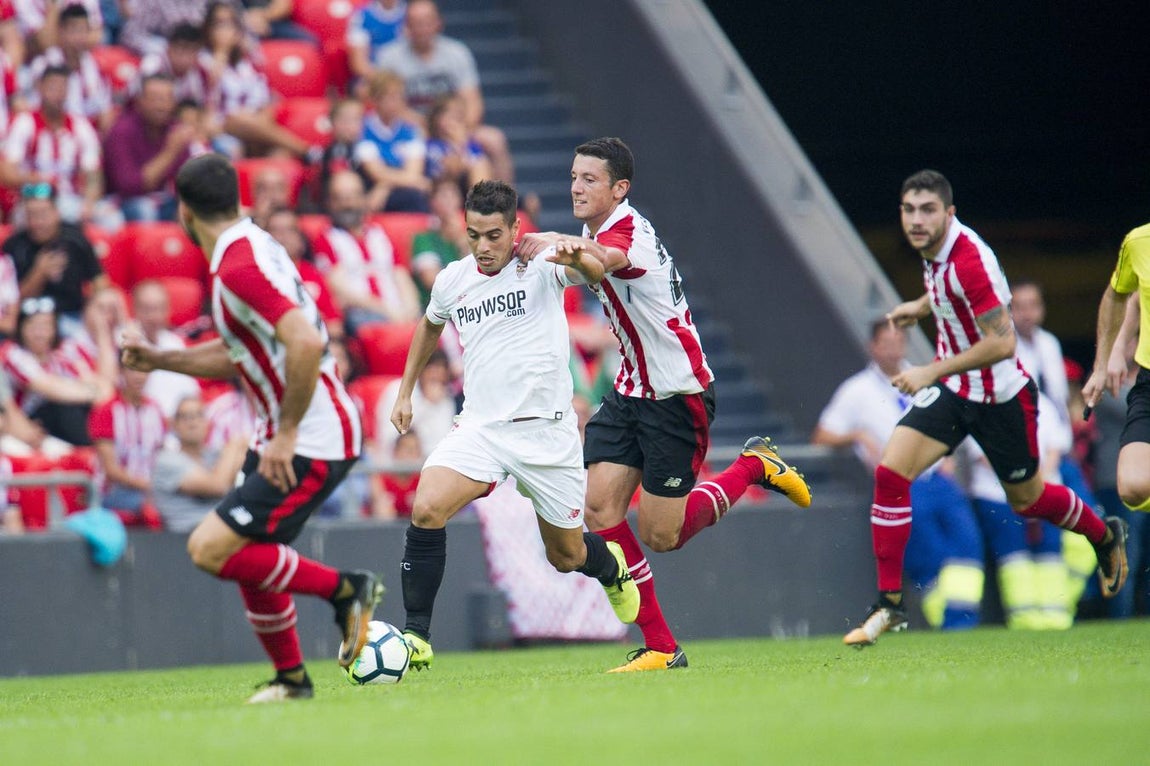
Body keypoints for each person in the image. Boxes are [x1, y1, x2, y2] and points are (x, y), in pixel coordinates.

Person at [517, 137, 812, 671]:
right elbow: (590, 264)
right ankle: (661, 646)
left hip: (678, 396)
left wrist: (557, 241)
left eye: (589, 179)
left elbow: (603, 262)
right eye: (574, 176)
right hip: (631, 389)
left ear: (619, 189)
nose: (576, 187)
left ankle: (754, 465)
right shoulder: (595, 231)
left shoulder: (626, 232)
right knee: (600, 509)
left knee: (661, 535)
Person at [120, 152, 382, 703]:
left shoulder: (237, 269)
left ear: (184, 213)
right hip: (288, 432)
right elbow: (244, 352)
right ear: (237, 200)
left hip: (312, 437)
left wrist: (286, 434)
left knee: (209, 548)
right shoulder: (252, 246)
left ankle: (346, 591)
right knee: (251, 557)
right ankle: (292, 680)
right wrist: (162, 360)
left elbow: (304, 342)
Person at [841, 169, 1128, 648]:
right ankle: (889, 604)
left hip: (1001, 398)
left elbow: (1002, 343)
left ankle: (1103, 535)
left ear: (949, 213)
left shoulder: (969, 259)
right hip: (957, 391)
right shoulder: (935, 252)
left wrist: (930, 371)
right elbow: (949, 291)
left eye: (927, 210)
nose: (916, 220)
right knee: (891, 474)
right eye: (909, 210)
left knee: (1028, 500)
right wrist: (920, 306)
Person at [387, 179, 637, 671]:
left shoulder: (542, 264)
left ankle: (610, 567)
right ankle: (416, 635)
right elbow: (430, 325)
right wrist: (404, 390)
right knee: (427, 506)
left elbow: (594, 271)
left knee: (565, 556)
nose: (482, 247)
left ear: (515, 228)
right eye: (473, 235)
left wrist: (577, 255)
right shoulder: (453, 279)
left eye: (493, 236)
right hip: (481, 429)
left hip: (547, 434)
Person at [813, 320, 984, 630]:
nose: (893, 350)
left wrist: (947, 453)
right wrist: (857, 435)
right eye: (886, 343)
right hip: (902, 481)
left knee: (967, 540)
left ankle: (964, 620)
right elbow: (822, 435)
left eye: (899, 342)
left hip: (936, 477)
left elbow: (952, 419)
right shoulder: (857, 390)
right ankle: (947, 622)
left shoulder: (923, 379)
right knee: (927, 552)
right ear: (873, 347)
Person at [1082, 223, 1150, 609]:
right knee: (1132, 487)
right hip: (1148, 380)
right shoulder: (1139, 241)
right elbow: (1122, 296)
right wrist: (1111, 354)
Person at [374, 0, 513, 185]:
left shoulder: (457, 53)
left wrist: (461, 129)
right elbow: (387, 104)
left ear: (438, 23)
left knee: (495, 139)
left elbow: (472, 101)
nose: (422, 28)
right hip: (412, 127)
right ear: (406, 26)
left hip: (454, 123)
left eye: (426, 22)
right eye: (416, 23)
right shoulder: (389, 57)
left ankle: (504, 199)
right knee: (416, 141)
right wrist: (426, 125)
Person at [312, 170, 421, 333]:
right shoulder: (326, 238)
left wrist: (410, 309)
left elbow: (400, 275)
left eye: (353, 196)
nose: (348, 204)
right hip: (363, 313)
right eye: (339, 198)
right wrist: (386, 311)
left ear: (364, 198)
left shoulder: (380, 233)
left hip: (398, 310)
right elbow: (337, 287)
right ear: (329, 203)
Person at [1, 66, 105, 224]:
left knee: (110, 219)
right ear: (40, 87)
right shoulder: (25, 122)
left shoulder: (81, 125)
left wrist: (89, 203)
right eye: (53, 87)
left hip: (71, 198)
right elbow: (6, 173)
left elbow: (93, 173)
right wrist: (37, 179)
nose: (58, 94)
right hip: (33, 197)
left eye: (63, 88)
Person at [1, 181, 106, 335]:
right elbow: (12, 303)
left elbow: (99, 280)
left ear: (56, 212)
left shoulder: (75, 238)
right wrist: (39, 273)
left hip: (72, 313)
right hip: (31, 319)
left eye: (43, 214)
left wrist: (95, 305)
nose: (38, 222)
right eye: (31, 215)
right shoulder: (14, 245)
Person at [102, 73, 194, 222]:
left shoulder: (174, 131)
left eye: (168, 99)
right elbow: (131, 187)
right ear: (139, 101)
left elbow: (185, 183)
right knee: (144, 208)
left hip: (162, 200)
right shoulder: (121, 131)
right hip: (122, 203)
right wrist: (170, 152)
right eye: (155, 99)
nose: (162, 106)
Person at [152, 394, 248, 533]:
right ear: (174, 425)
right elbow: (218, 486)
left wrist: (243, 446)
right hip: (186, 536)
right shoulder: (166, 461)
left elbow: (247, 463)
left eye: (199, 415)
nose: (193, 423)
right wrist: (234, 444)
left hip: (223, 531)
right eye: (185, 417)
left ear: (207, 423)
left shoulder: (214, 455)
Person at [87, 364, 166, 525]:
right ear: (121, 372)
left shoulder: (156, 410)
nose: (139, 376)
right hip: (114, 492)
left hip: (148, 489)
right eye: (133, 370)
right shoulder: (106, 410)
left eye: (143, 370)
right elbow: (111, 470)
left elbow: (161, 456)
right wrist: (149, 487)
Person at [26, 5, 113, 133]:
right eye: (74, 31)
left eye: (83, 31)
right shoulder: (44, 65)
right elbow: (33, 108)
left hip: (85, 134)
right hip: (52, 132)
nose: (79, 37)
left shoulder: (95, 66)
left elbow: (104, 110)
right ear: (61, 31)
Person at [356, 69, 431, 213]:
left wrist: (385, 186)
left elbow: (413, 173)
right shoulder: (364, 129)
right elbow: (376, 172)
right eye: (389, 97)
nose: (395, 102)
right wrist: (386, 182)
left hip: (399, 189)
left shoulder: (410, 130)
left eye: (399, 97)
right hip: (371, 187)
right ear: (376, 99)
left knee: (415, 197)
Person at [130, 279, 201, 418]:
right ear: (135, 309)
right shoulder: (125, 342)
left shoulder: (175, 343)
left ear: (168, 310)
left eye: (159, 309)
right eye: (147, 309)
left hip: (179, 421)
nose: (153, 316)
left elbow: (192, 391)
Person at [346, 0, 405, 84]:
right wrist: (386, 82)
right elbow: (358, 64)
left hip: (405, 76)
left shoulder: (410, 12)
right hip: (373, 79)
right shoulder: (362, 16)